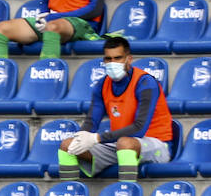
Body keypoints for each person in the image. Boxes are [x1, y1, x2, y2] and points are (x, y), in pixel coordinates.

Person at [58, 36, 173, 182]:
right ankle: (70, 194)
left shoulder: (145, 83)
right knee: (67, 145)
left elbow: (139, 128)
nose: (113, 63)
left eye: (118, 58)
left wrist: (96, 138)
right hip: (119, 143)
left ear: (129, 59)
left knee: (125, 143)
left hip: (157, 144)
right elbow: (92, 121)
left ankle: (127, 194)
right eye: (108, 59)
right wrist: (81, 137)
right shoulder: (102, 84)